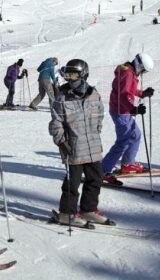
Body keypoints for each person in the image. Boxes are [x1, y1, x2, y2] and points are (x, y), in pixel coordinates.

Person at [49, 59, 112, 227]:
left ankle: (88, 210)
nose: (70, 79)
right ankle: (66, 213)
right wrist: (62, 141)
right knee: (72, 182)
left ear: (83, 74)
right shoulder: (62, 97)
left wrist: (96, 131)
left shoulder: (93, 93)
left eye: (74, 75)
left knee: (96, 179)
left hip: (92, 145)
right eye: (67, 75)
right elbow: (55, 123)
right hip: (73, 146)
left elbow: (100, 113)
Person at [101, 53, 155, 184]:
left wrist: (142, 93)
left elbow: (128, 89)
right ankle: (102, 171)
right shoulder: (128, 73)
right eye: (143, 70)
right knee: (123, 142)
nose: (142, 73)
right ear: (139, 65)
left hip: (122, 110)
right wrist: (133, 109)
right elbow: (124, 94)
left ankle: (127, 164)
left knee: (135, 135)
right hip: (121, 111)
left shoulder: (127, 71)